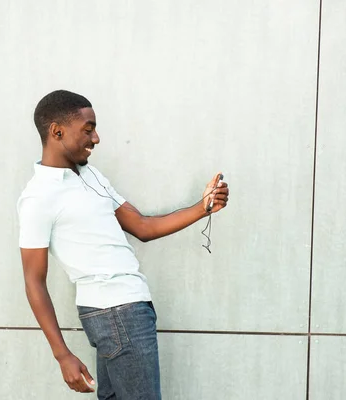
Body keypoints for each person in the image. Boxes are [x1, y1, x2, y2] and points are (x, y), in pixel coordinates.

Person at [17, 90, 229, 399]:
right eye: (88, 129)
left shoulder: (90, 176)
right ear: (57, 131)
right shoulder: (38, 197)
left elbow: (141, 226)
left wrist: (203, 207)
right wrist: (62, 354)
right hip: (117, 312)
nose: (97, 138)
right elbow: (33, 280)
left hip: (125, 310)